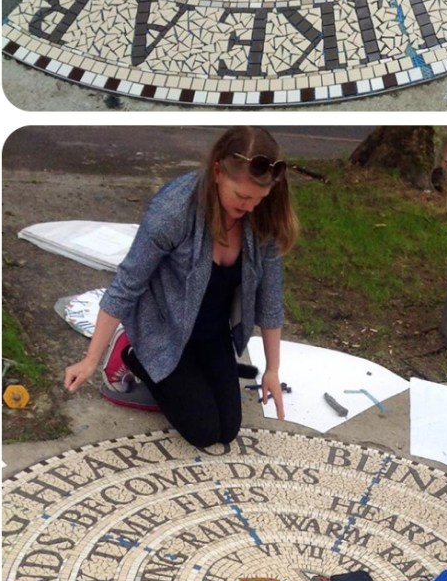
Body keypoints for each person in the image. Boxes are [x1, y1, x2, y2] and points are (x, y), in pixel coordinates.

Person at [64, 128, 298, 450]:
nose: (250, 207)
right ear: (217, 172)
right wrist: (90, 359)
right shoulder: (174, 209)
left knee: (228, 429)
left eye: (258, 198)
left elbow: (270, 299)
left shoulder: (264, 216)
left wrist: (273, 369)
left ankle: (189, 376)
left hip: (212, 331)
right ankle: (131, 352)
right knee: (203, 431)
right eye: (242, 197)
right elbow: (127, 283)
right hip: (163, 328)